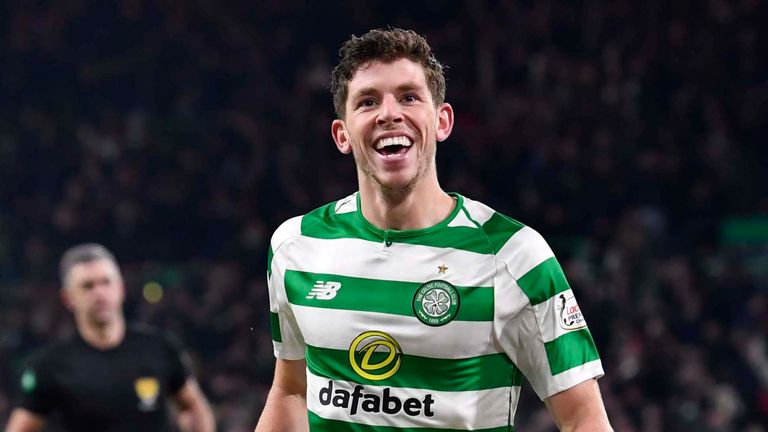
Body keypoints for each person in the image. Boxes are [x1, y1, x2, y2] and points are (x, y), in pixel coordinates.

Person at [256, 28, 612, 431]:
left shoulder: (513, 255)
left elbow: (584, 419)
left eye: (408, 97)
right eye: (368, 101)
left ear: (442, 121)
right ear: (342, 135)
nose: (389, 113)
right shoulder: (296, 245)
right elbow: (291, 391)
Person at [6, 244, 216, 432]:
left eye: (106, 282)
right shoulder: (51, 365)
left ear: (121, 287)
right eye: (88, 286)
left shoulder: (158, 347)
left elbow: (192, 406)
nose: (99, 293)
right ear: (68, 298)